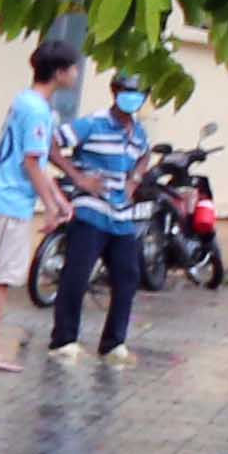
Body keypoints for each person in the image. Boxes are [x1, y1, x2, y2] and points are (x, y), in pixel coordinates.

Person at [0, 35, 82, 373]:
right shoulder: (37, 111)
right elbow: (32, 162)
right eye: (72, 68)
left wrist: (57, 198)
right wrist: (51, 205)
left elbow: (37, 161)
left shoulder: (24, 102)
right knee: (1, 279)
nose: (75, 73)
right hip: (11, 202)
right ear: (59, 72)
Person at [53, 68, 151, 359]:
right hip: (91, 209)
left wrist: (135, 179)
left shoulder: (139, 133)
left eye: (137, 94)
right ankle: (63, 340)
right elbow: (52, 144)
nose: (130, 99)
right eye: (125, 92)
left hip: (121, 214)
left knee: (128, 275)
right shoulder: (93, 123)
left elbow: (145, 155)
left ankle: (113, 343)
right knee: (78, 273)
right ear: (115, 93)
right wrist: (78, 176)